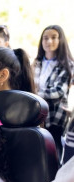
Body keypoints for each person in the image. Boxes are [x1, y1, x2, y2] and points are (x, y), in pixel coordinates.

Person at [32, 25, 74, 160]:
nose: (49, 41)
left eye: (54, 37)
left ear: (61, 40)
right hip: (36, 115)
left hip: (56, 116)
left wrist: (35, 93)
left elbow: (58, 91)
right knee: (37, 152)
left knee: (53, 152)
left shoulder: (66, 64)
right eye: (45, 38)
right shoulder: (36, 63)